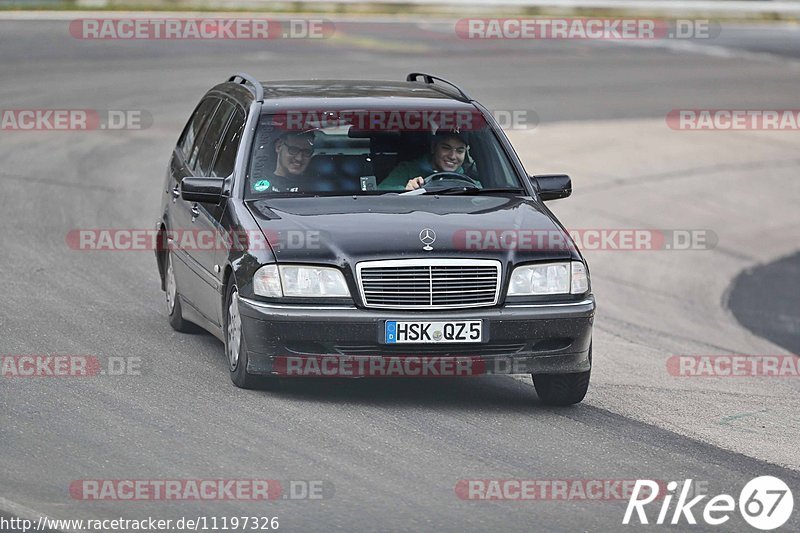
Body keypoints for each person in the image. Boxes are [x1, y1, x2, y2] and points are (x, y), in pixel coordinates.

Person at [378, 130, 473, 191]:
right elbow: (380, 191)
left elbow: (484, 197)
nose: (452, 156)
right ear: (433, 147)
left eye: (460, 151)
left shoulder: (470, 177)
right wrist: (405, 189)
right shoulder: (407, 170)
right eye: (446, 148)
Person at [251, 131, 315, 193]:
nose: (299, 158)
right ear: (278, 147)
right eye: (293, 150)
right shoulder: (259, 186)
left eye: (306, 152)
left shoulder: (317, 188)